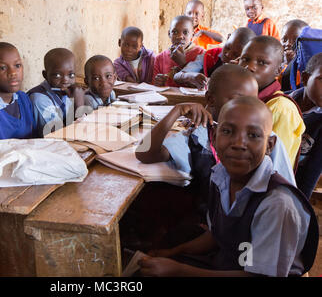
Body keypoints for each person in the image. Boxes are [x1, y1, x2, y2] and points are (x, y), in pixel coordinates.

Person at [138, 96, 318, 277]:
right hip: (232, 261)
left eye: (253, 135)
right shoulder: (220, 177)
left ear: (269, 145)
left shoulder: (277, 204)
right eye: (228, 131)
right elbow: (220, 234)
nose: (239, 144)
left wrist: (178, 270)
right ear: (214, 137)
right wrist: (174, 252)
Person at [136, 64, 296, 202]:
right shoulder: (199, 137)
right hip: (215, 222)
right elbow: (145, 153)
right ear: (211, 100)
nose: (246, 107)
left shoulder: (267, 140)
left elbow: (287, 194)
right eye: (237, 100)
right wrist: (177, 110)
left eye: (252, 101)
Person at [239, 36, 305, 168]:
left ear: (278, 70)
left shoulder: (281, 109)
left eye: (262, 63)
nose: (250, 67)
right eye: (245, 59)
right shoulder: (241, 99)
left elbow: (273, 165)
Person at [28, 48, 85, 136]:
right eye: (57, 75)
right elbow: (59, 135)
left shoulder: (68, 91)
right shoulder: (39, 99)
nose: (65, 80)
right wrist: (79, 105)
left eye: (71, 75)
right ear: (45, 75)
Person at [174, 27, 255, 88]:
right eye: (227, 48)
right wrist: (190, 76)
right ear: (228, 38)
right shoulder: (209, 56)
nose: (228, 54)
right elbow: (177, 76)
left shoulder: (244, 70)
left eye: (236, 55)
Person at [289, 53, 322, 198]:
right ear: (305, 78)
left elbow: (311, 174)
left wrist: (300, 206)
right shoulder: (280, 102)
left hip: (291, 194)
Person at [152, 16, 205, 87]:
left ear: (193, 34)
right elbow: (154, 85)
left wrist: (183, 64)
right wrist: (158, 82)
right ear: (169, 34)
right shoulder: (160, 58)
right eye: (175, 32)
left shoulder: (201, 54)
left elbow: (203, 85)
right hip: (168, 97)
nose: (180, 36)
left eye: (185, 32)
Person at [279, 19, 309, 91]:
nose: (288, 43)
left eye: (295, 40)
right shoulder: (276, 63)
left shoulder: (307, 68)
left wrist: (290, 65)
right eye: (284, 39)